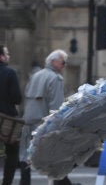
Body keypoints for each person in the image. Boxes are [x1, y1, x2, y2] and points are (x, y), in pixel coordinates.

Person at [19, 50, 74, 185]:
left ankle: (24, 183)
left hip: (28, 121)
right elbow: (57, 107)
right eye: (63, 62)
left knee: (25, 156)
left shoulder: (35, 76)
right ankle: (62, 183)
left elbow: (26, 97)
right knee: (54, 156)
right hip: (43, 124)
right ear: (53, 62)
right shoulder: (55, 78)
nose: (64, 66)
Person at [0, 45, 23, 185]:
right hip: (7, 119)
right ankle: (6, 182)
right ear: (1, 56)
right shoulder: (9, 73)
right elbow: (17, 98)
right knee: (12, 153)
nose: (8, 56)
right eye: (7, 53)